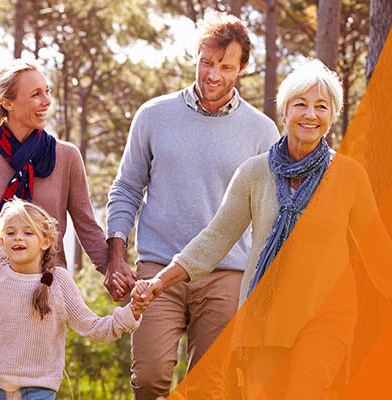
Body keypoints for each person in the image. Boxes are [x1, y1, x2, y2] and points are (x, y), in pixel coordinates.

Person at [131, 60, 392, 398]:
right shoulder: (254, 173)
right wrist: (160, 280)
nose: (310, 114)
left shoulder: (348, 175)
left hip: (326, 317)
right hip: (265, 322)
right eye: (301, 104)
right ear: (284, 112)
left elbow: (376, 246)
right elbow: (215, 239)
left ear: (332, 116)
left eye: (321, 106)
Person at [103, 11, 281, 400]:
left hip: (226, 274)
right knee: (149, 379)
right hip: (156, 271)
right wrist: (115, 254)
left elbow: (273, 213)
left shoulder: (262, 131)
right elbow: (127, 188)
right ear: (196, 57)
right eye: (206, 62)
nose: (213, 75)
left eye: (225, 66)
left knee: (208, 388)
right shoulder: (153, 115)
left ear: (243, 68)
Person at [0, 59, 120, 392]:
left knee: (38, 392)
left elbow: (86, 225)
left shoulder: (66, 157)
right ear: (7, 103)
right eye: (36, 94)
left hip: (46, 296)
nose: (46, 102)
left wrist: (111, 271)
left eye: (47, 92)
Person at [0, 199, 149, 400]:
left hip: (38, 391)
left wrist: (132, 312)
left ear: (46, 241)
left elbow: (93, 327)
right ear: (1, 239)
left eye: (28, 233)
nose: (18, 237)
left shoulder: (58, 282)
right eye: (11, 232)